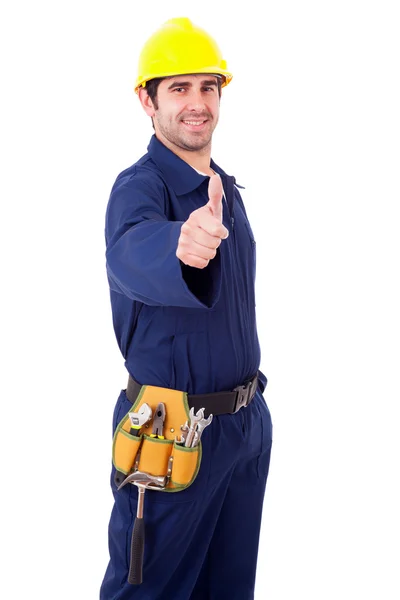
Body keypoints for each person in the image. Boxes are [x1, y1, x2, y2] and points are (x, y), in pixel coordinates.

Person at [100, 17, 273, 600]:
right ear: (147, 101)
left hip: (244, 426)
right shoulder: (140, 188)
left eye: (208, 87)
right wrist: (178, 246)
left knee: (228, 588)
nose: (197, 104)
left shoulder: (224, 187)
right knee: (148, 590)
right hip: (173, 433)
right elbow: (129, 251)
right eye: (178, 88)